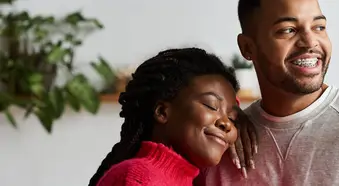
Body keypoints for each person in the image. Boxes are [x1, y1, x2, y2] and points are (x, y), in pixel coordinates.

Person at [197, 0, 339, 185]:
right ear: (248, 47)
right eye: (288, 30)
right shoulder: (224, 143)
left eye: (319, 27)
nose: (310, 42)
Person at [88, 48, 256, 186]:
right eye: (211, 106)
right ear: (162, 112)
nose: (226, 123)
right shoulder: (138, 177)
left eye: (232, 118)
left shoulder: (185, 180)